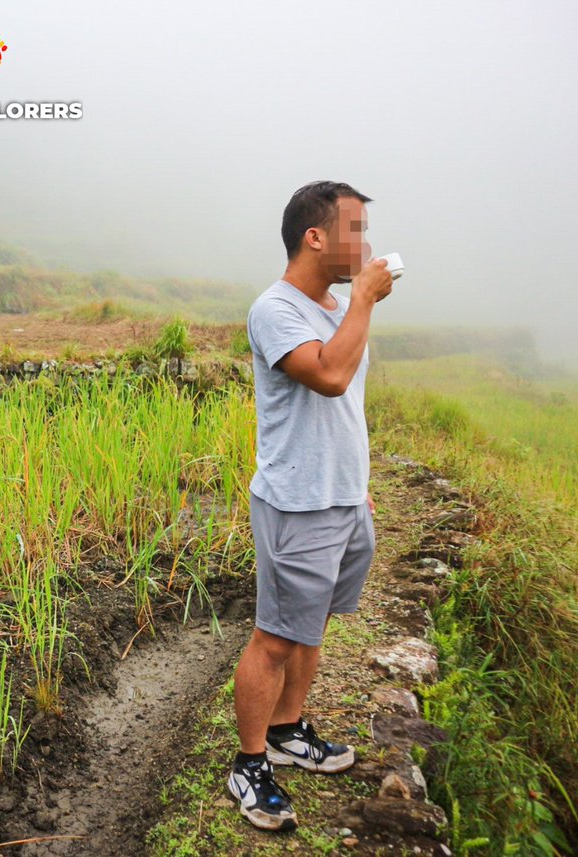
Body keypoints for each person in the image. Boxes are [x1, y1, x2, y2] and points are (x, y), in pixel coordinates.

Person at [227, 180, 394, 831]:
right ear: (315, 236)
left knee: (312, 622)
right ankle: (249, 762)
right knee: (274, 635)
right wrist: (366, 302)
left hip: (345, 500)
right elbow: (328, 377)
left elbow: (347, 402)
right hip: (298, 506)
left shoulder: (335, 306)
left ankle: (289, 730)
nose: (366, 244)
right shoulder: (276, 309)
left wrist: (356, 484)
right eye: (354, 227)